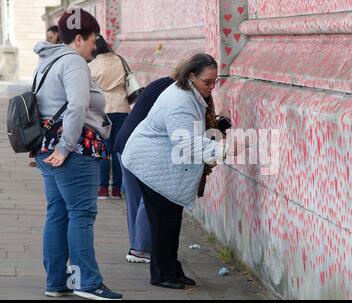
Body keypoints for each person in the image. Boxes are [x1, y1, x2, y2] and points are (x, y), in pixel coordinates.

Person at [121, 54, 244, 289]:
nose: (212, 87)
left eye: (215, 81)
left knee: (169, 219)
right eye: (207, 81)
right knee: (163, 221)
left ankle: (171, 270)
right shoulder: (180, 101)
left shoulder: (189, 95)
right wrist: (225, 148)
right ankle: (162, 274)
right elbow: (186, 142)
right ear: (191, 76)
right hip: (150, 165)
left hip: (158, 164)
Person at [33, 9, 122, 300]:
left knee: (57, 213)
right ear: (79, 38)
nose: (95, 46)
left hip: (50, 148)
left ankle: (56, 281)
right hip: (75, 150)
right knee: (81, 214)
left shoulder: (46, 61)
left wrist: (45, 148)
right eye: (93, 39)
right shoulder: (73, 62)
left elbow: (39, 105)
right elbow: (77, 107)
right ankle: (86, 282)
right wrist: (64, 147)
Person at [114, 65, 184, 264]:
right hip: (140, 148)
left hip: (125, 142)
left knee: (135, 199)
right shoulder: (174, 92)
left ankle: (137, 246)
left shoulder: (161, 83)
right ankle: (142, 248)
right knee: (149, 196)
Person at [89, 35, 130, 200]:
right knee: (117, 150)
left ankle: (103, 188)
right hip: (121, 107)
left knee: (104, 151)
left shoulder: (92, 65)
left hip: (102, 109)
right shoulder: (120, 60)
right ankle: (117, 190)